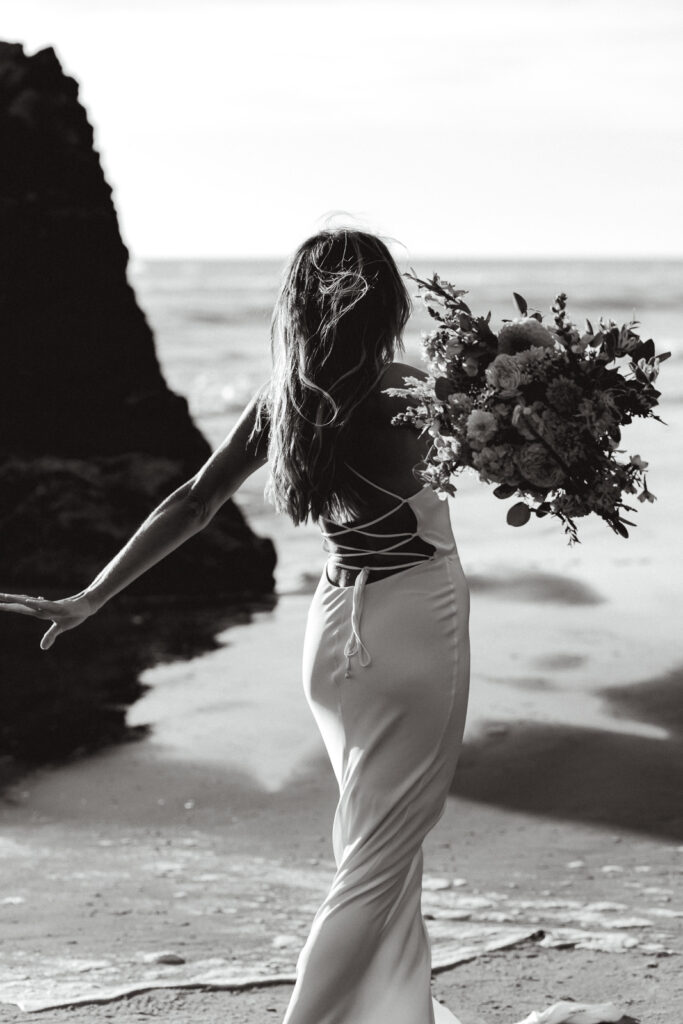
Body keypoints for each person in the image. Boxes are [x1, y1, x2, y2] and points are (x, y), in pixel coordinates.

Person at [0, 228, 619, 1024]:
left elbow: (190, 502)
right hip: (410, 625)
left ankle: (395, 1013)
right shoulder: (415, 393)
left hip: (330, 634)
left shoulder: (280, 403)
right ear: (387, 301)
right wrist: (548, 389)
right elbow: (538, 459)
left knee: (368, 837)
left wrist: (91, 594)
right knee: (379, 852)